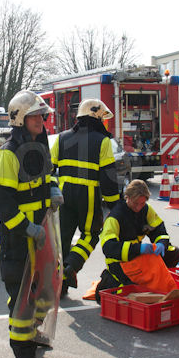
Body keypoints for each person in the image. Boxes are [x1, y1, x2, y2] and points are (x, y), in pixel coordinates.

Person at [0, 90, 57, 358]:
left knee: (43, 290)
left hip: (40, 231)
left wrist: (53, 189)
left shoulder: (39, 147)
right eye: (34, 116)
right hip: (18, 236)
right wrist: (26, 227)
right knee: (20, 294)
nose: (40, 120)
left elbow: (48, 176)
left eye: (42, 115)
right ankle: (23, 351)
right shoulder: (8, 154)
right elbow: (2, 201)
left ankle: (33, 333)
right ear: (20, 119)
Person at [50, 99, 120, 295]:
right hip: (87, 195)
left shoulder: (62, 137)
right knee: (90, 235)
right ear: (96, 117)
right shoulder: (103, 141)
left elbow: (48, 168)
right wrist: (115, 206)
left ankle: (60, 285)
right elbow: (108, 178)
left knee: (62, 240)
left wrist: (51, 190)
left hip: (63, 196)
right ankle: (71, 266)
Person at [95, 179, 179, 297]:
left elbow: (159, 230)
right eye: (136, 203)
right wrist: (138, 249)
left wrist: (161, 243)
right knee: (133, 289)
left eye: (142, 203)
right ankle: (109, 279)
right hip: (119, 262)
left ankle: (163, 283)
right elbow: (109, 248)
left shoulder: (146, 209)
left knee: (174, 253)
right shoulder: (115, 217)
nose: (138, 207)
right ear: (127, 198)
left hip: (138, 256)